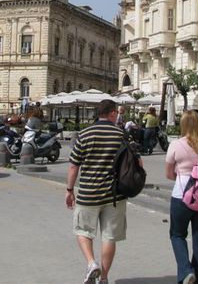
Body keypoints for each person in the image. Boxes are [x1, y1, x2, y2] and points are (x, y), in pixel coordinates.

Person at [66, 99, 141, 284]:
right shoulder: (122, 135)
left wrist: (69, 190)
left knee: (83, 230)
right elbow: (138, 161)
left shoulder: (85, 134)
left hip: (88, 193)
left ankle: (92, 263)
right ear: (112, 113)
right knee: (109, 237)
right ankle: (104, 277)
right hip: (115, 195)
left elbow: (74, 166)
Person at [165, 110, 198, 284]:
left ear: (182, 124)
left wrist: (183, 177)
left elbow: (168, 174)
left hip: (181, 196)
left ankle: (186, 271)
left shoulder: (175, 145)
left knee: (177, 235)